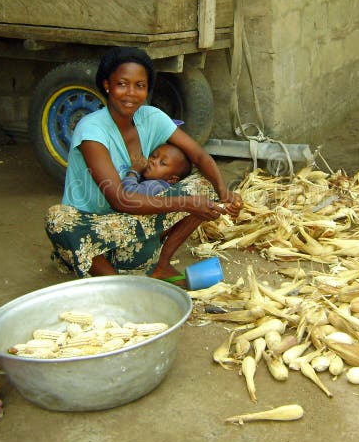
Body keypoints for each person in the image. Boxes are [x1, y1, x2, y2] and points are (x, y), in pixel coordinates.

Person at [44, 47, 242, 283]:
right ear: (107, 85)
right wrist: (187, 204)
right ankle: (120, 285)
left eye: (140, 85)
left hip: (134, 227)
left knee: (203, 184)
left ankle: (161, 264)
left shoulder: (151, 117)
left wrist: (224, 193)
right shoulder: (92, 130)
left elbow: (199, 156)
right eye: (122, 84)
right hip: (95, 232)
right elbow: (119, 199)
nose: (131, 93)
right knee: (58, 220)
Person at [121, 143, 192, 196]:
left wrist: (134, 171)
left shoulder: (156, 186)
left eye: (162, 163)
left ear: (172, 179)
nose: (153, 161)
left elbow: (129, 194)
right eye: (154, 156)